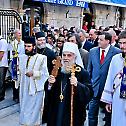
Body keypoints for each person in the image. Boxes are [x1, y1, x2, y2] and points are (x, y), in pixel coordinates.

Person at [46, 42, 93, 126]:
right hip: (56, 110)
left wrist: (77, 84)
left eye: (69, 55)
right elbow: (48, 92)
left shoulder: (82, 73)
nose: (66, 58)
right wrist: (49, 84)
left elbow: (89, 94)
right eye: (64, 55)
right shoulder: (57, 70)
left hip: (74, 113)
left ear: (75, 57)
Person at [87, 31, 121, 126]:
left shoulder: (116, 52)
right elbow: (89, 69)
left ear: (108, 41)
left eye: (101, 40)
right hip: (95, 89)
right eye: (98, 39)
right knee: (91, 114)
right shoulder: (93, 51)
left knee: (108, 115)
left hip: (109, 90)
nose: (98, 41)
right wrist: (90, 84)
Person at [19, 36, 49, 126]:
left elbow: (45, 74)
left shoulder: (42, 58)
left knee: (33, 109)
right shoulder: (22, 58)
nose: (26, 48)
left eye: (29, 46)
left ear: (34, 47)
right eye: (25, 46)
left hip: (35, 88)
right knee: (24, 107)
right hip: (24, 87)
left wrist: (34, 73)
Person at [101, 30, 126, 126]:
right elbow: (110, 79)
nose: (122, 46)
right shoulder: (115, 59)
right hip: (117, 99)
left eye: (125, 43)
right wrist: (108, 100)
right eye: (120, 43)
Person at [8, 29, 25, 102]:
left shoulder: (23, 43)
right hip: (15, 62)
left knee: (22, 79)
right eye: (18, 33)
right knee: (15, 80)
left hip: (22, 62)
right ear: (15, 35)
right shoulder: (12, 44)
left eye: (20, 33)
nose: (20, 34)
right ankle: (15, 96)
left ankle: (21, 95)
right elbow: (11, 55)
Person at [0, 36, 8, 101]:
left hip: (2, 64)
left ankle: (1, 96)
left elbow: (1, 54)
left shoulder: (2, 41)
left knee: (1, 81)